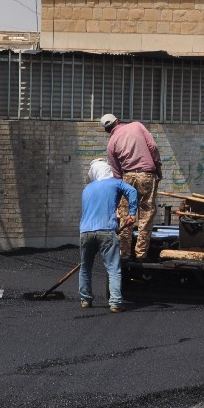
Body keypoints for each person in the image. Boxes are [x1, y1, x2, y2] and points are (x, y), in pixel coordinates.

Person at [80, 158, 138, 313]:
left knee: (85, 267)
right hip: (106, 230)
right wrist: (132, 213)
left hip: (85, 232)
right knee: (113, 268)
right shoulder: (115, 183)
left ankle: (85, 300)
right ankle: (115, 303)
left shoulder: (87, 189)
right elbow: (132, 191)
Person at [101, 113, 161, 260]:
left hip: (127, 177)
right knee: (146, 213)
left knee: (125, 215)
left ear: (107, 130)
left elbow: (117, 174)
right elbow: (152, 146)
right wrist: (157, 167)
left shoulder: (111, 144)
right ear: (118, 121)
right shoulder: (137, 126)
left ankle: (125, 253)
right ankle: (141, 253)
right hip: (147, 174)